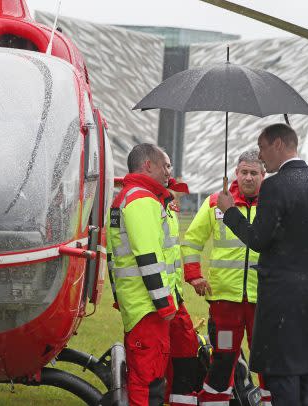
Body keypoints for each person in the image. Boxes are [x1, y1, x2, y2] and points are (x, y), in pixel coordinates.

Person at [216, 123, 308, 406]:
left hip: (280, 297)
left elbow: (258, 239)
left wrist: (231, 213)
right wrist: (304, 263)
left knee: (283, 374)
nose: (261, 158)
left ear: (278, 145)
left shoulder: (273, 186)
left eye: (262, 149)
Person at [181, 149, 272, 406]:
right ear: (236, 173)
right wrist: (194, 276)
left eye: (254, 173)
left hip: (263, 299)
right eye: (244, 172)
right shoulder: (215, 202)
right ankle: (214, 402)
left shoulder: (274, 204)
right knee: (222, 359)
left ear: (264, 175)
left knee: (267, 361)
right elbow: (191, 242)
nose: (249, 178)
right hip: (224, 300)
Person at [106, 143, 178, 405]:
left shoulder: (125, 196)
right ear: (148, 165)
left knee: (143, 378)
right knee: (148, 382)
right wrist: (164, 303)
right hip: (149, 307)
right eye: (165, 165)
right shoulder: (141, 198)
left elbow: (113, 258)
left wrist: (119, 297)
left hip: (137, 303)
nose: (169, 172)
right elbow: (149, 257)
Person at [165, 178, 203, 406]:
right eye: (175, 194)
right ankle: (176, 395)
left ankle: (178, 395)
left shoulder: (168, 214)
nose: (178, 199)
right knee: (178, 346)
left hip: (171, 296)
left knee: (185, 344)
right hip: (161, 298)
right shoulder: (156, 210)